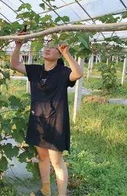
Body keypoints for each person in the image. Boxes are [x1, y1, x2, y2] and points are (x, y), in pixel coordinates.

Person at [10, 39, 83, 196]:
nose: (48, 49)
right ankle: (45, 190)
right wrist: (18, 46)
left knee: (56, 162)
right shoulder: (36, 71)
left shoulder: (63, 72)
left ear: (59, 55)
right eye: (46, 47)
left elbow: (78, 74)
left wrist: (67, 53)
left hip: (56, 122)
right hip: (38, 120)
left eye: (53, 48)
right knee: (42, 157)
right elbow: (14, 64)